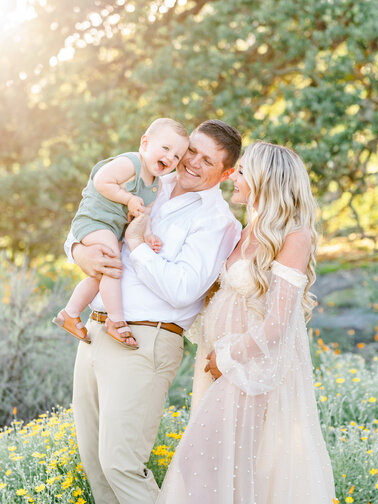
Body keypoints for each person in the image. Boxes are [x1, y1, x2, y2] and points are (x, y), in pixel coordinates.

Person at [65, 119, 242, 504]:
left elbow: (183, 290)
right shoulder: (146, 176)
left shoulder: (217, 222)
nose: (191, 162)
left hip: (145, 340)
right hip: (95, 331)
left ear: (226, 173)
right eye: (190, 150)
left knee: (121, 466)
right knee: (95, 466)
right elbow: (86, 217)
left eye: (206, 160)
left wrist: (134, 242)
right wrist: (80, 253)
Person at [157, 141, 337, 504]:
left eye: (241, 172)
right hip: (221, 365)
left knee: (198, 459)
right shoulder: (246, 229)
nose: (233, 178)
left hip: (251, 369)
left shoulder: (293, 235)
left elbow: (279, 322)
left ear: (263, 178)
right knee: (224, 467)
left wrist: (226, 359)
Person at [54, 118, 189, 348]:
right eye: (165, 148)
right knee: (114, 266)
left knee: (102, 273)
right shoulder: (131, 163)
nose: (170, 157)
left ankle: (70, 312)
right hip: (95, 220)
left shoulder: (155, 185)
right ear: (145, 143)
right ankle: (115, 321)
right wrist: (127, 198)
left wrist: (148, 235)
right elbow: (101, 181)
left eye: (177, 156)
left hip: (111, 229)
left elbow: (142, 215)